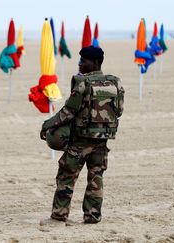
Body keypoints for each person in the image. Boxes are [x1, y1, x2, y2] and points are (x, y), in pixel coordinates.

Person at [40, 46, 125, 224]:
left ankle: (59, 216)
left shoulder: (82, 82)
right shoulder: (115, 82)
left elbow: (68, 112)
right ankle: (92, 216)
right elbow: (119, 111)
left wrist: (47, 125)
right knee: (96, 178)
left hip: (80, 141)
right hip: (102, 140)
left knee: (66, 176)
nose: (79, 64)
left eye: (83, 60)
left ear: (94, 62)